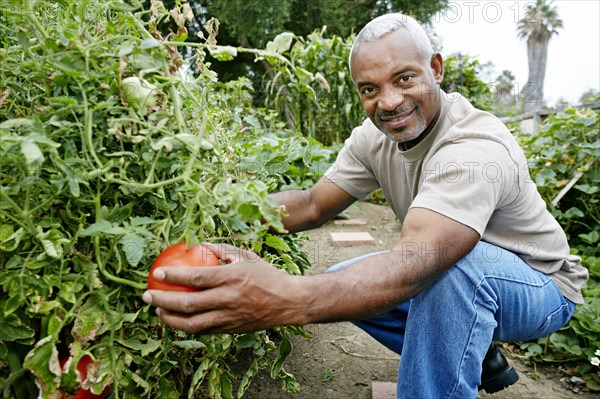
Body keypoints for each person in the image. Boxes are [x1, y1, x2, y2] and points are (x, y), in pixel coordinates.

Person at [142, 13, 588, 399]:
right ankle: (472, 345)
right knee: (343, 283)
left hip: (540, 286)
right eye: (369, 89)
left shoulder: (473, 148)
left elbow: (420, 261)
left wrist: (285, 298)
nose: (388, 102)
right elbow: (314, 204)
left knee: (451, 273)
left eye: (404, 78)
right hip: (458, 273)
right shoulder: (375, 138)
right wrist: (221, 213)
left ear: (435, 67)